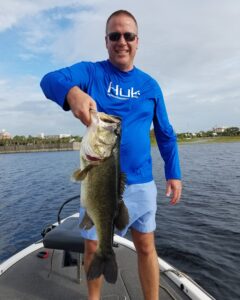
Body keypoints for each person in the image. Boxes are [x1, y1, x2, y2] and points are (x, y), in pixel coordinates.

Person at [40, 10, 182, 300]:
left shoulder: (150, 86)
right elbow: (49, 80)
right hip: (99, 181)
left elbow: (165, 132)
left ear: (137, 41)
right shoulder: (92, 72)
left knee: (146, 246)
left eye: (128, 35)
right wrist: (72, 93)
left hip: (142, 182)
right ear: (106, 41)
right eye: (114, 35)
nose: (122, 41)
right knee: (93, 245)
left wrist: (174, 173)